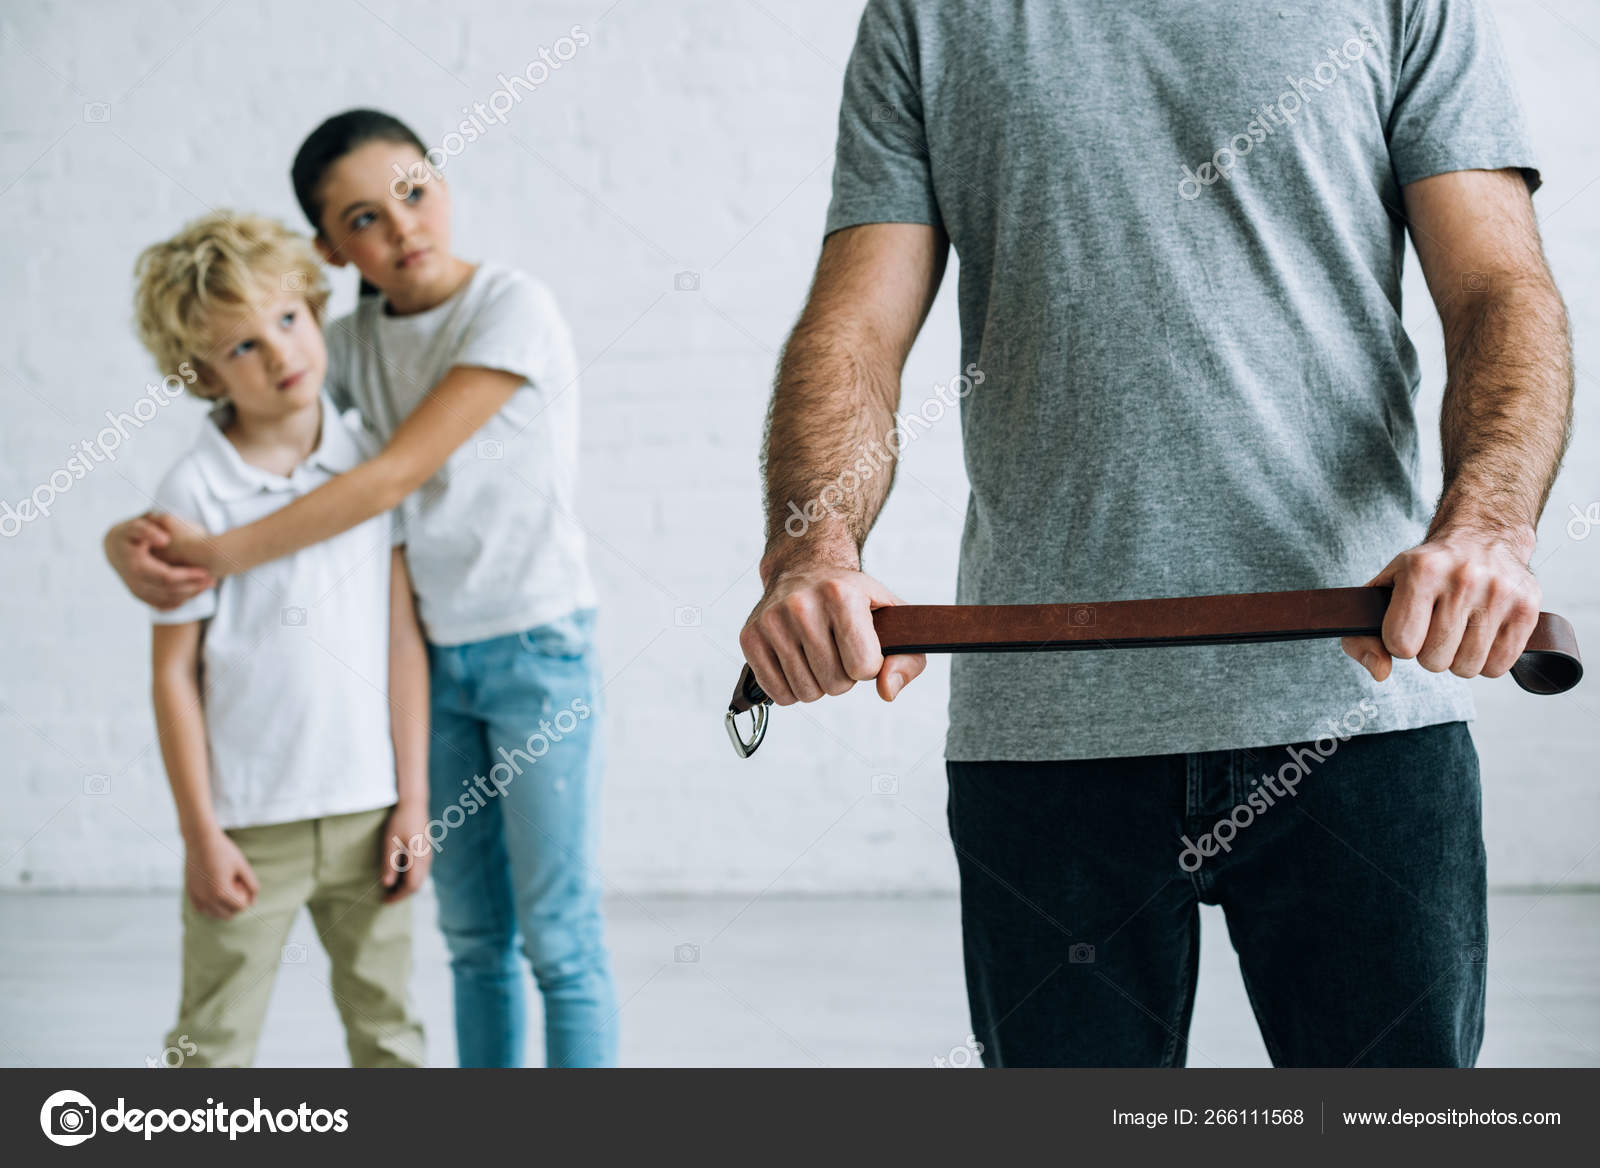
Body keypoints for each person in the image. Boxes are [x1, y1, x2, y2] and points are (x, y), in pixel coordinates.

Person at [738, 0, 1572, 1066]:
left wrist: (1488, 530)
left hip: (1359, 713)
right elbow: (855, 322)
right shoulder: (928, 14)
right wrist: (811, 548)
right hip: (1045, 742)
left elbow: (1499, 286)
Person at [104, 110, 617, 1068]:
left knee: (559, 936)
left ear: (444, 187)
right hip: (430, 656)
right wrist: (119, 542)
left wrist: (215, 556)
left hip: (532, 647)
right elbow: (254, 425)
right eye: (364, 219)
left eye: (414, 192)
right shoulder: (341, 343)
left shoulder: (511, 307)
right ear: (333, 251)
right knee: (472, 939)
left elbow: (383, 480)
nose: (402, 226)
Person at [137, 210, 427, 1067]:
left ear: (312, 304)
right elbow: (173, 679)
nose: (280, 355)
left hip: (369, 810)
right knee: (212, 1042)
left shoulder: (369, 462)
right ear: (204, 375)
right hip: (248, 822)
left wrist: (413, 799)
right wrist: (201, 835)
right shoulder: (192, 489)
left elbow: (402, 639)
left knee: (389, 1032)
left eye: (289, 321)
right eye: (241, 348)